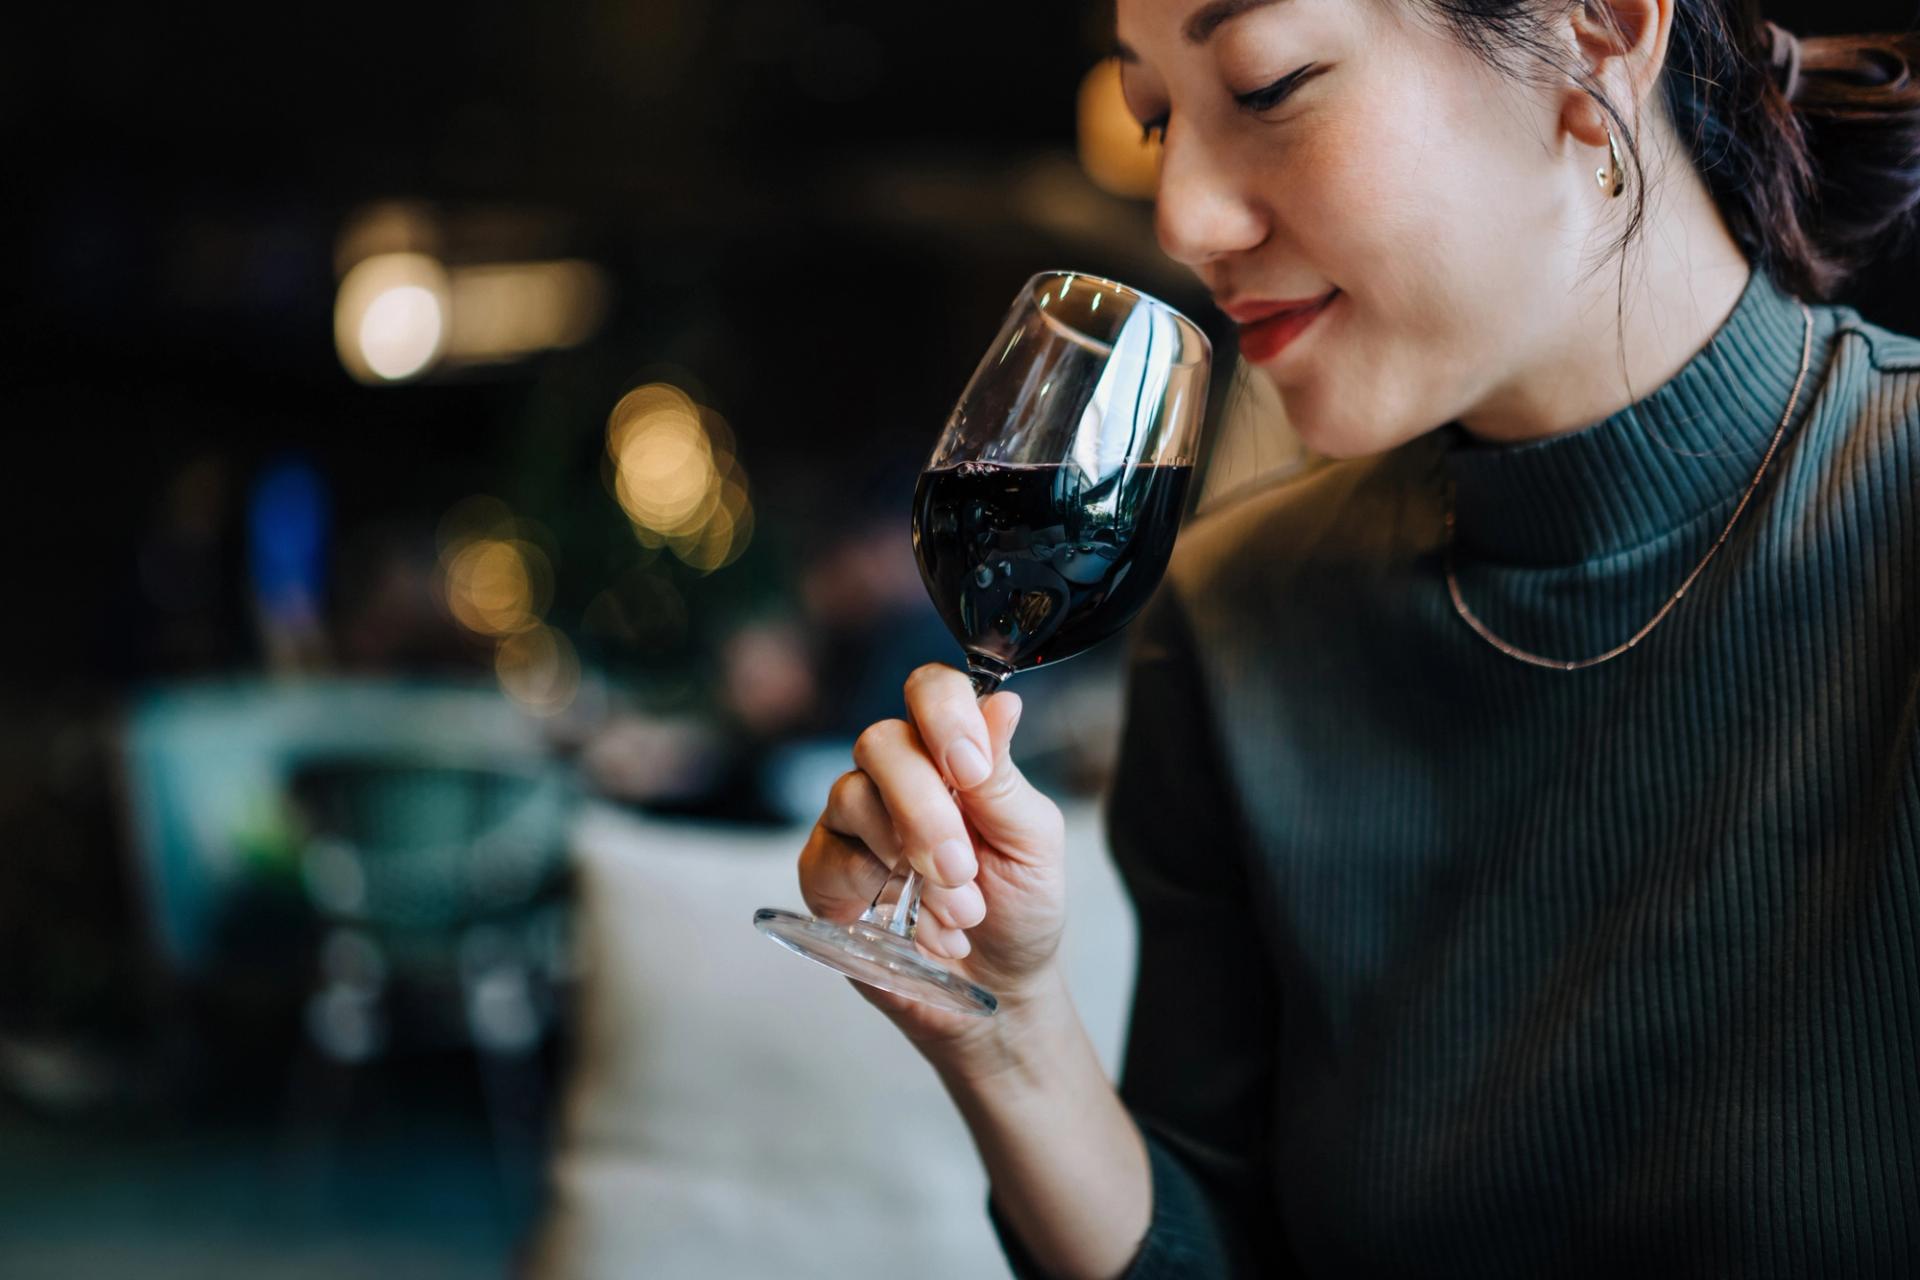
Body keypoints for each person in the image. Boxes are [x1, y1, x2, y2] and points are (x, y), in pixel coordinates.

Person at [793, 0, 1920, 1273]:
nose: (1182, 219)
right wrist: (1004, 1027)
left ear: (1598, 32)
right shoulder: (1237, 615)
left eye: (1270, 86)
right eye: (1158, 121)